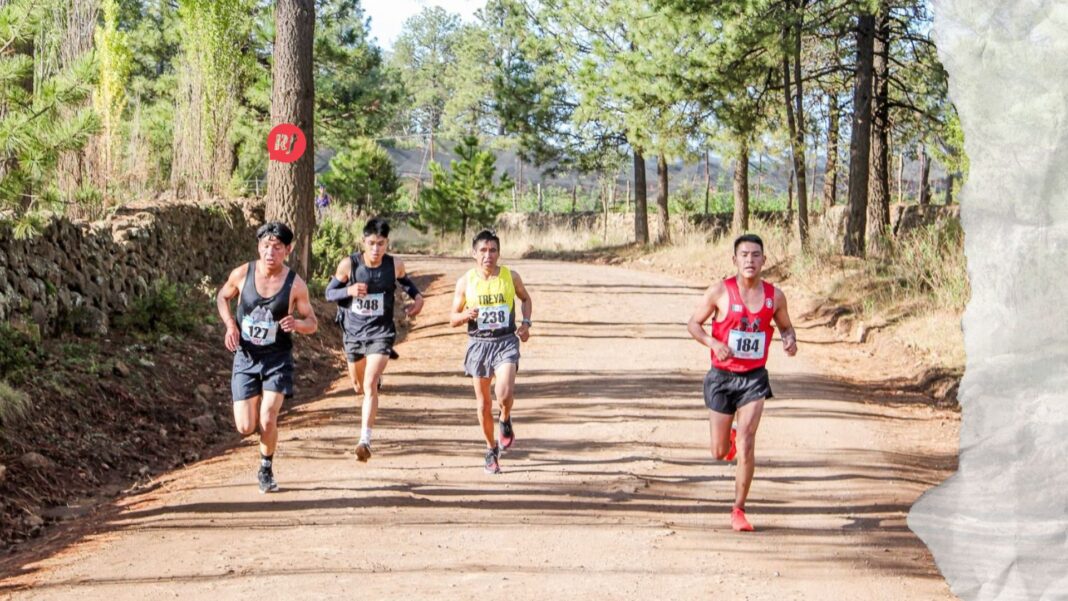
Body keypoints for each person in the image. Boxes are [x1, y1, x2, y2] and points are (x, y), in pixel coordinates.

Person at [686, 233, 797, 531]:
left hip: (754, 378)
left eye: (756, 255)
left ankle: (738, 509)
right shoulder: (720, 291)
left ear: (764, 260)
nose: (750, 260)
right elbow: (693, 324)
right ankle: (729, 440)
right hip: (721, 378)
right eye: (744, 255)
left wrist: (789, 340)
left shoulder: (775, 296)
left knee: (747, 441)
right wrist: (713, 342)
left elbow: (786, 327)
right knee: (719, 452)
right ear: (734, 260)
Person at [216, 222, 318, 493]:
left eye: (277, 247)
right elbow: (222, 297)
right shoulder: (242, 274)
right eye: (265, 246)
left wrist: (297, 324)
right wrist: (230, 325)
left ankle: (265, 468)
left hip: (277, 359)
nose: (270, 252)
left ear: (288, 250)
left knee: (268, 418)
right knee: (245, 426)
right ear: (258, 247)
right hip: (246, 357)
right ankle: (256, 409)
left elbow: (312, 322)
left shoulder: (296, 285)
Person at [324, 217, 424, 462]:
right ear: (363, 242)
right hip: (353, 333)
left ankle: (364, 441)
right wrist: (349, 290)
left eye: (381, 244)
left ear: (387, 243)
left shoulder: (394, 265)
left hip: (381, 333)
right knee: (358, 386)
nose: (376, 249)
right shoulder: (349, 265)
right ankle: (373, 380)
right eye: (371, 243)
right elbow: (329, 293)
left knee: (369, 385)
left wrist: (418, 298)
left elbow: (407, 284)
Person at [449, 230, 532, 474]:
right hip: (479, 344)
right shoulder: (465, 282)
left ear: (499, 253)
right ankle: (490, 449)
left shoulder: (510, 276)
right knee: (484, 404)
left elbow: (526, 299)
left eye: (493, 250)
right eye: (483, 250)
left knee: (504, 394)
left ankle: (505, 417)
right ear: (474, 254)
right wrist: (465, 315)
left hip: (505, 341)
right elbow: (452, 318)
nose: (488, 255)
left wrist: (526, 323)